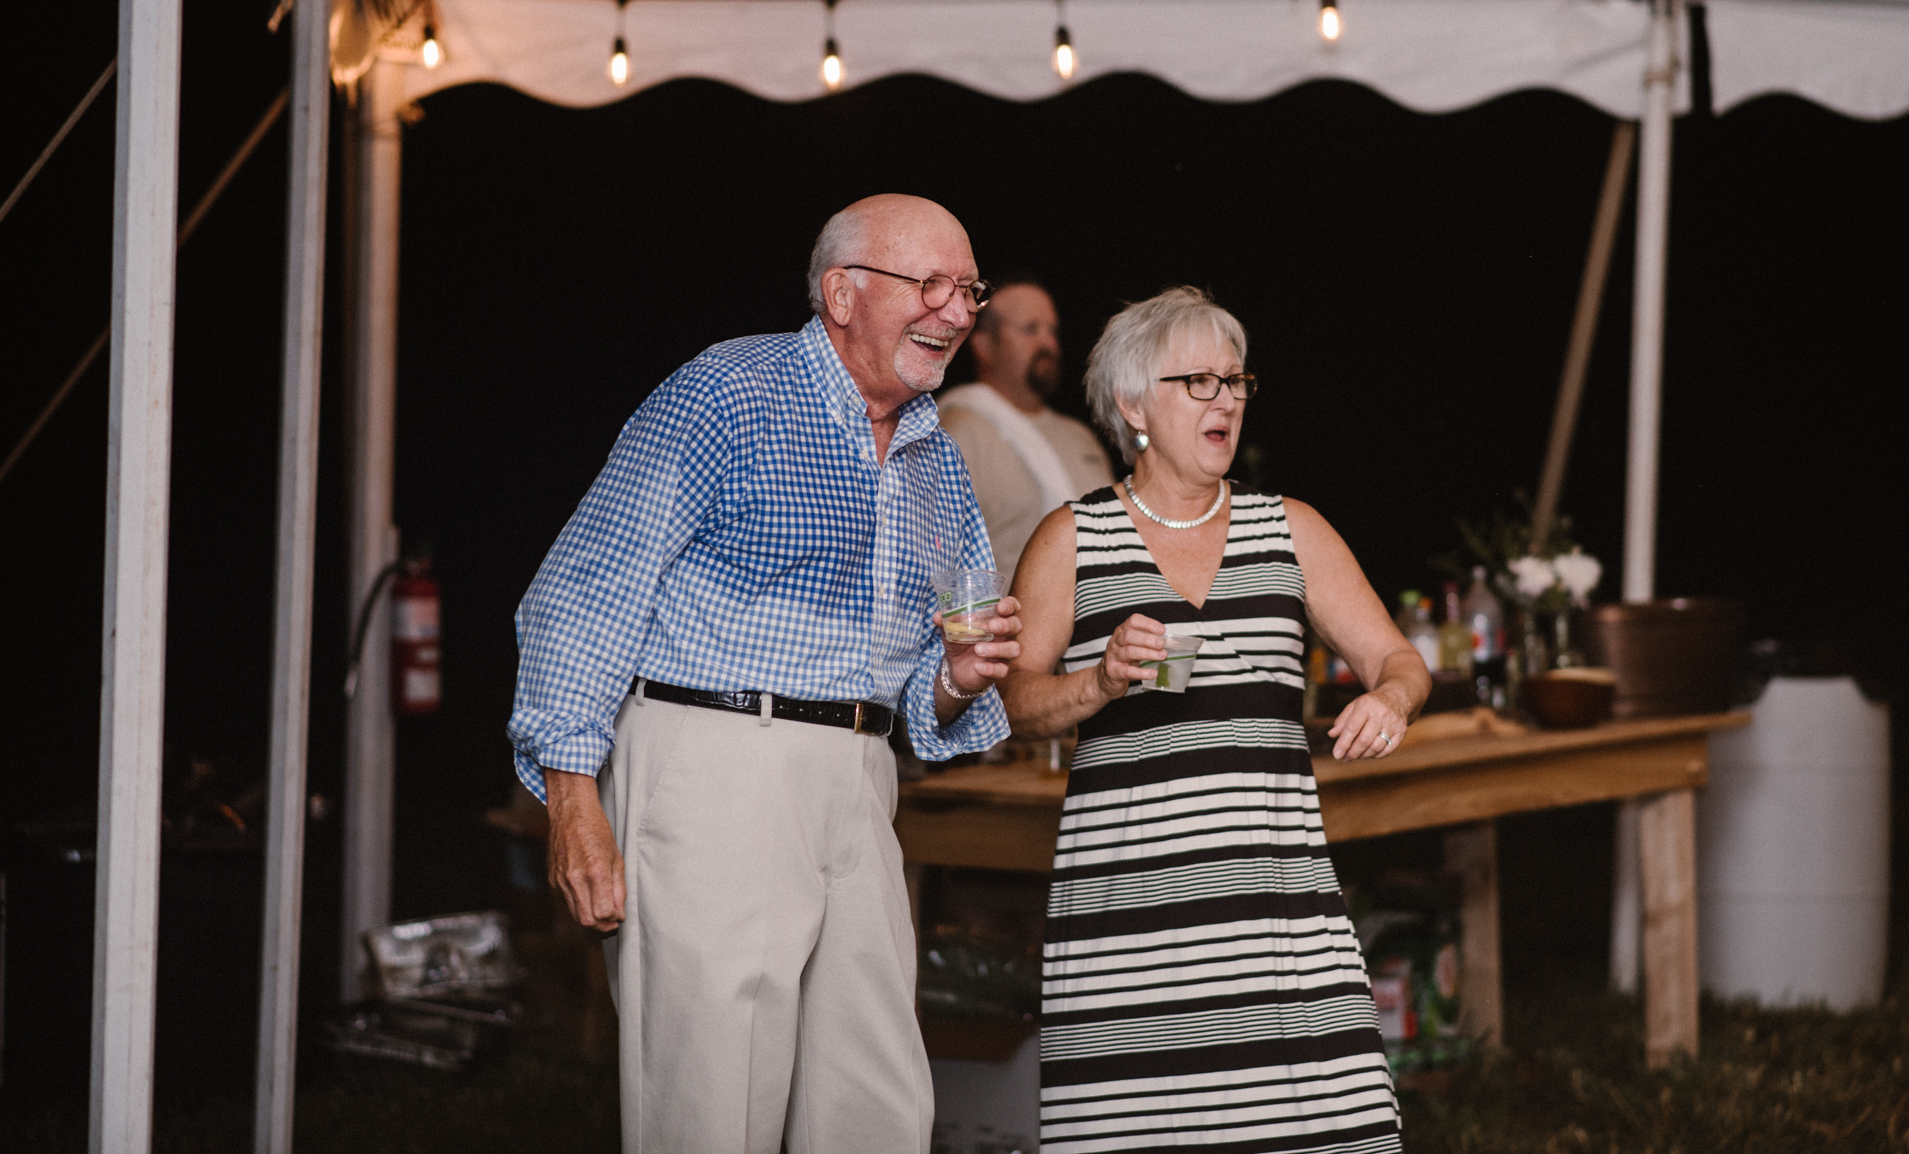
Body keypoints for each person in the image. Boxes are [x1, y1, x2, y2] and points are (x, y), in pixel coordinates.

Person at [507, 194, 1020, 1154]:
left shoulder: (936, 463)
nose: (957, 313)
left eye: (969, 291)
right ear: (842, 292)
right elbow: (584, 591)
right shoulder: (730, 392)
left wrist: (955, 676)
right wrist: (573, 799)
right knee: (712, 1095)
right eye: (933, 285)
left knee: (875, 1100)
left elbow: (923, 698)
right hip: (714, 761)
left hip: (862, 779)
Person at [997, 285, 1430, 1152]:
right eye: (1197, 380)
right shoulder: (1071, 539)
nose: (1225, 397)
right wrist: (1103, 679)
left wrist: (1389, 697)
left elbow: (1402, 659)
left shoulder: (1291, 529)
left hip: (1281, 932)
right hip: (1128, 936)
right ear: (1132, 405)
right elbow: (1016, 703)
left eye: (1235, 380)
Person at [937, 277, 1113, 581]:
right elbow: (939, 559)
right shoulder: (958, 431)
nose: (1048, 344)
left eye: (1052, 331)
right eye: (1030, 329)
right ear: (983, 345)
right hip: (1010, 623)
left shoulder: (1080, 436)